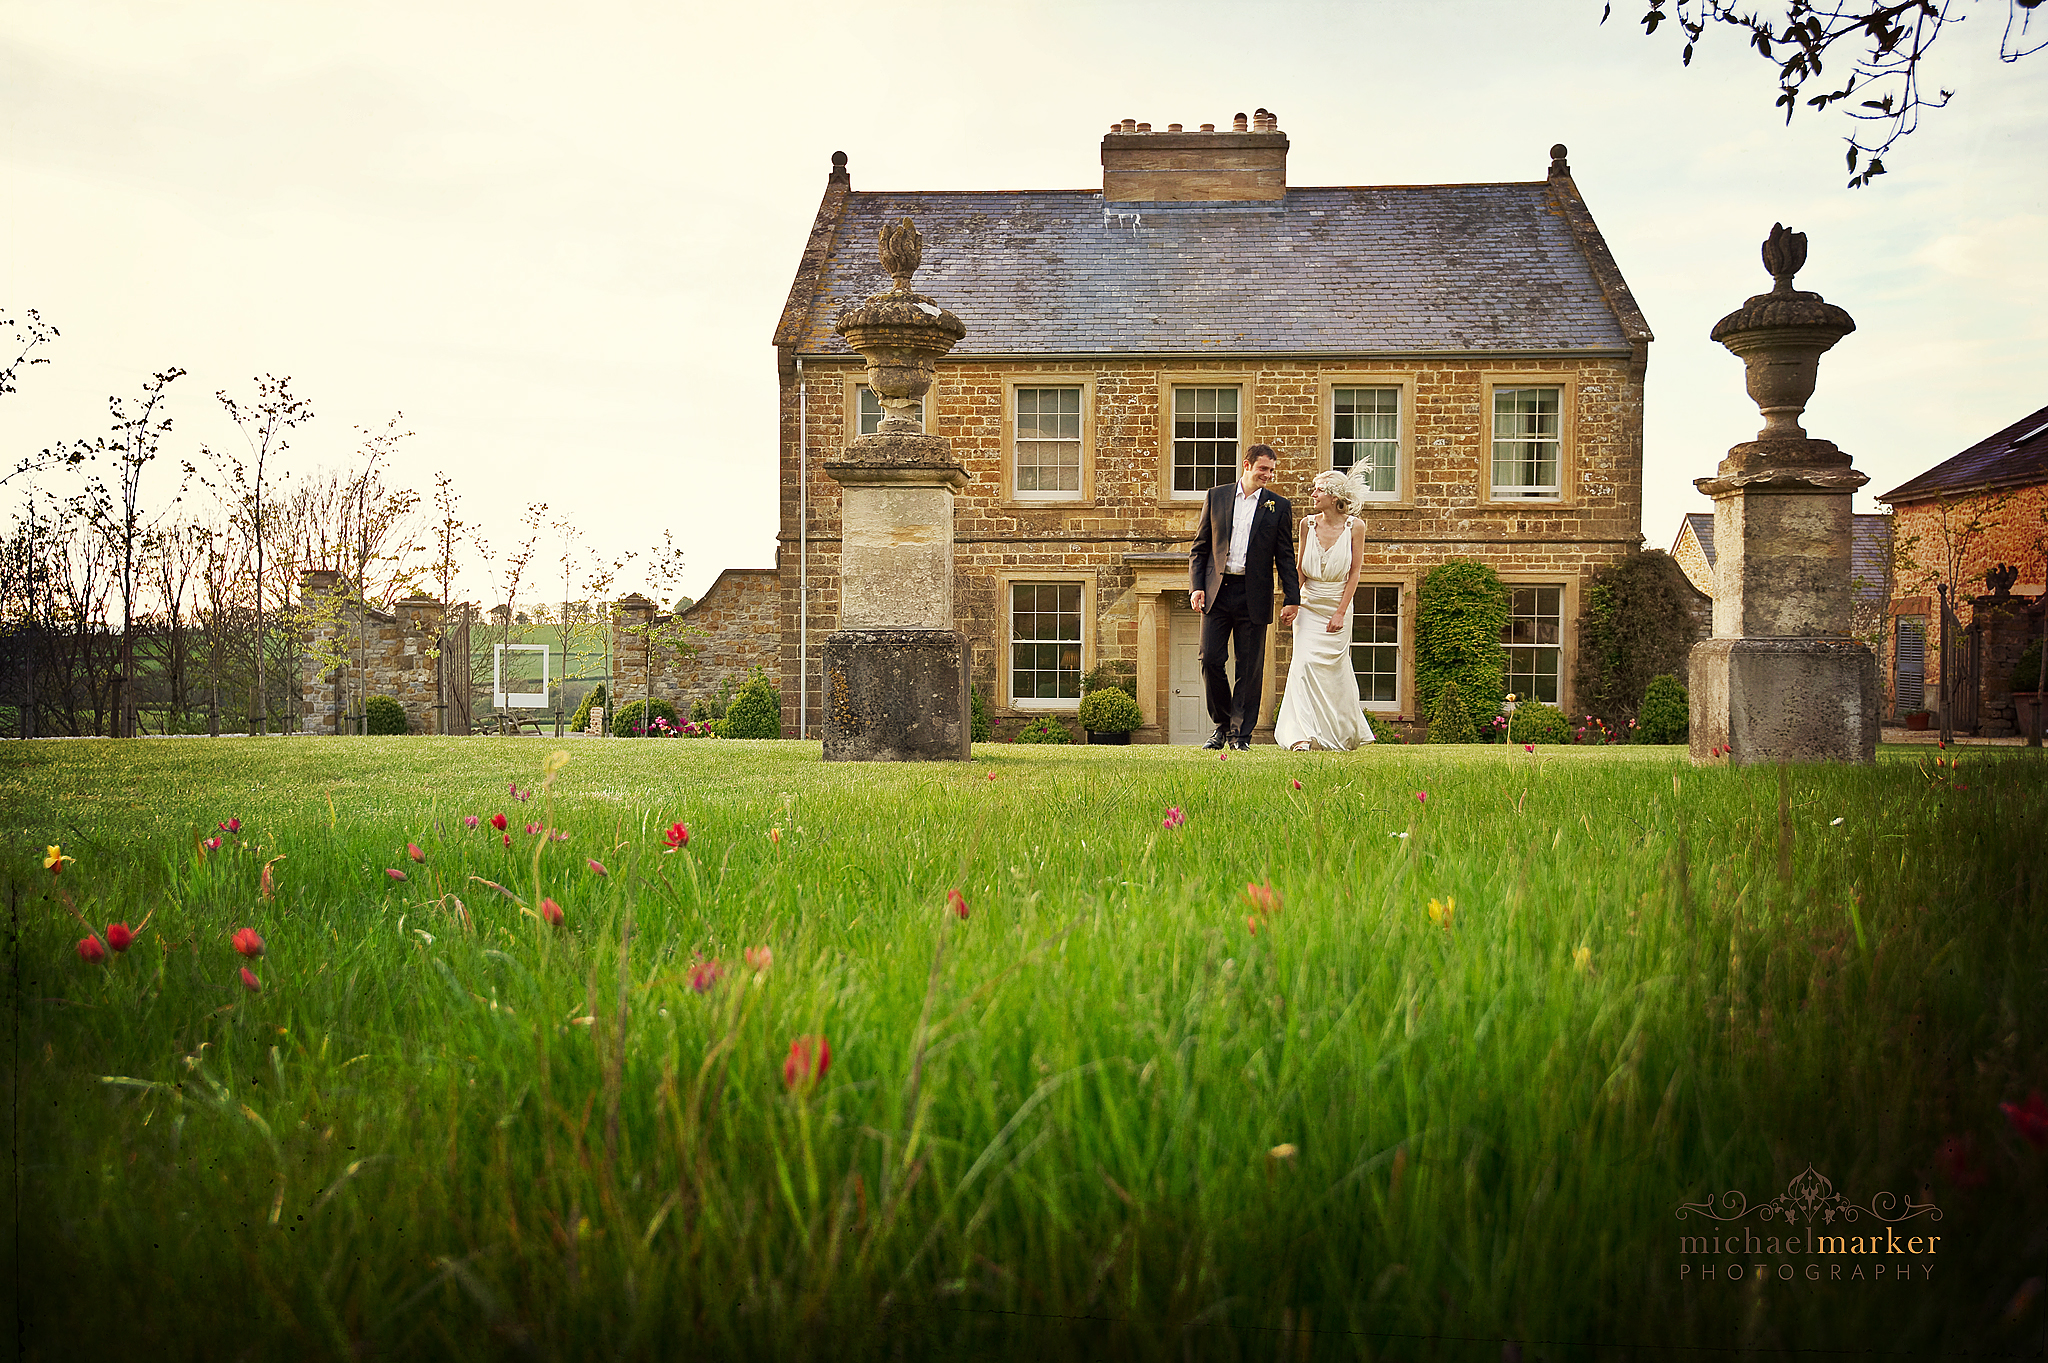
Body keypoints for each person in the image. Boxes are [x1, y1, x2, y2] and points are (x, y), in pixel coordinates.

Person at [1188, 444, 1300, 750]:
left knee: (1249, 668)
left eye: (1272, 470)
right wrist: (1196, 586)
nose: (1268, 475)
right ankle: (1222, 725)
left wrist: (1293, 597)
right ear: (1247, 465)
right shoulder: (1217, 496)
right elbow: (1200, 548)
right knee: (1210, 659)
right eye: (1263, 469)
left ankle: (1240, 736)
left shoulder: (1278, 506)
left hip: (1255, 595)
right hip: (1217, 593)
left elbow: (1285, 557)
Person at [1274, 469, 1377, 752]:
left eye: (1318, 490)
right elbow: (1300, 568)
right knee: (1303, 665)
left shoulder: (1356, 527)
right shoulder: (1307, 525)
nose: (1313, 494)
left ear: (1333, 497)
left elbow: (1354, 572)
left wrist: (1341, 612)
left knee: (1334, 671)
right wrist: (1291, 600)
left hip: (1337, 604)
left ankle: (1336, 733)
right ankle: (1301, 736)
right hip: (1308, 604)